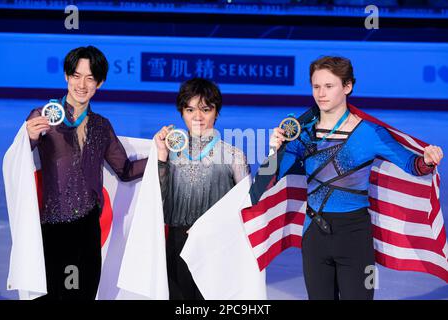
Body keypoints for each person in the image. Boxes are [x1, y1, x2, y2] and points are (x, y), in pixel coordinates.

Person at [266, 56, 443, 300]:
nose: (321, 93)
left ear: (347, 87)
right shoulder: (303, 133)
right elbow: (273, 176)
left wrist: (427, 160)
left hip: (354, 236)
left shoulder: (369, 133)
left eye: (329, 86)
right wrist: (276, 149)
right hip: (314, 235)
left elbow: (413, 165)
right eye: (316, 86)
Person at [25, 46, 148, 300]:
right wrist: (27, 138)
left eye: (90, 78)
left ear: (99, 83)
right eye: (76, 75)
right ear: (66, 77)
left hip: (87, 231)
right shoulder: (44, 118)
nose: (82, 84)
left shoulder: (101, 126)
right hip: (52, 229)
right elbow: (20, 162)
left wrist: (160, 157)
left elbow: (124, 170)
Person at [154, 78, 250, 300]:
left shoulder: (233, 156)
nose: (197, 117)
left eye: (205, 109)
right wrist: (160, 156)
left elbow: (246, 207)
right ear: (181, 113)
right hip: (177, 245)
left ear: (216, 112)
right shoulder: (168, 152)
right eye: (190, 110)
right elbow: (157, 199)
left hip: (217, 247)